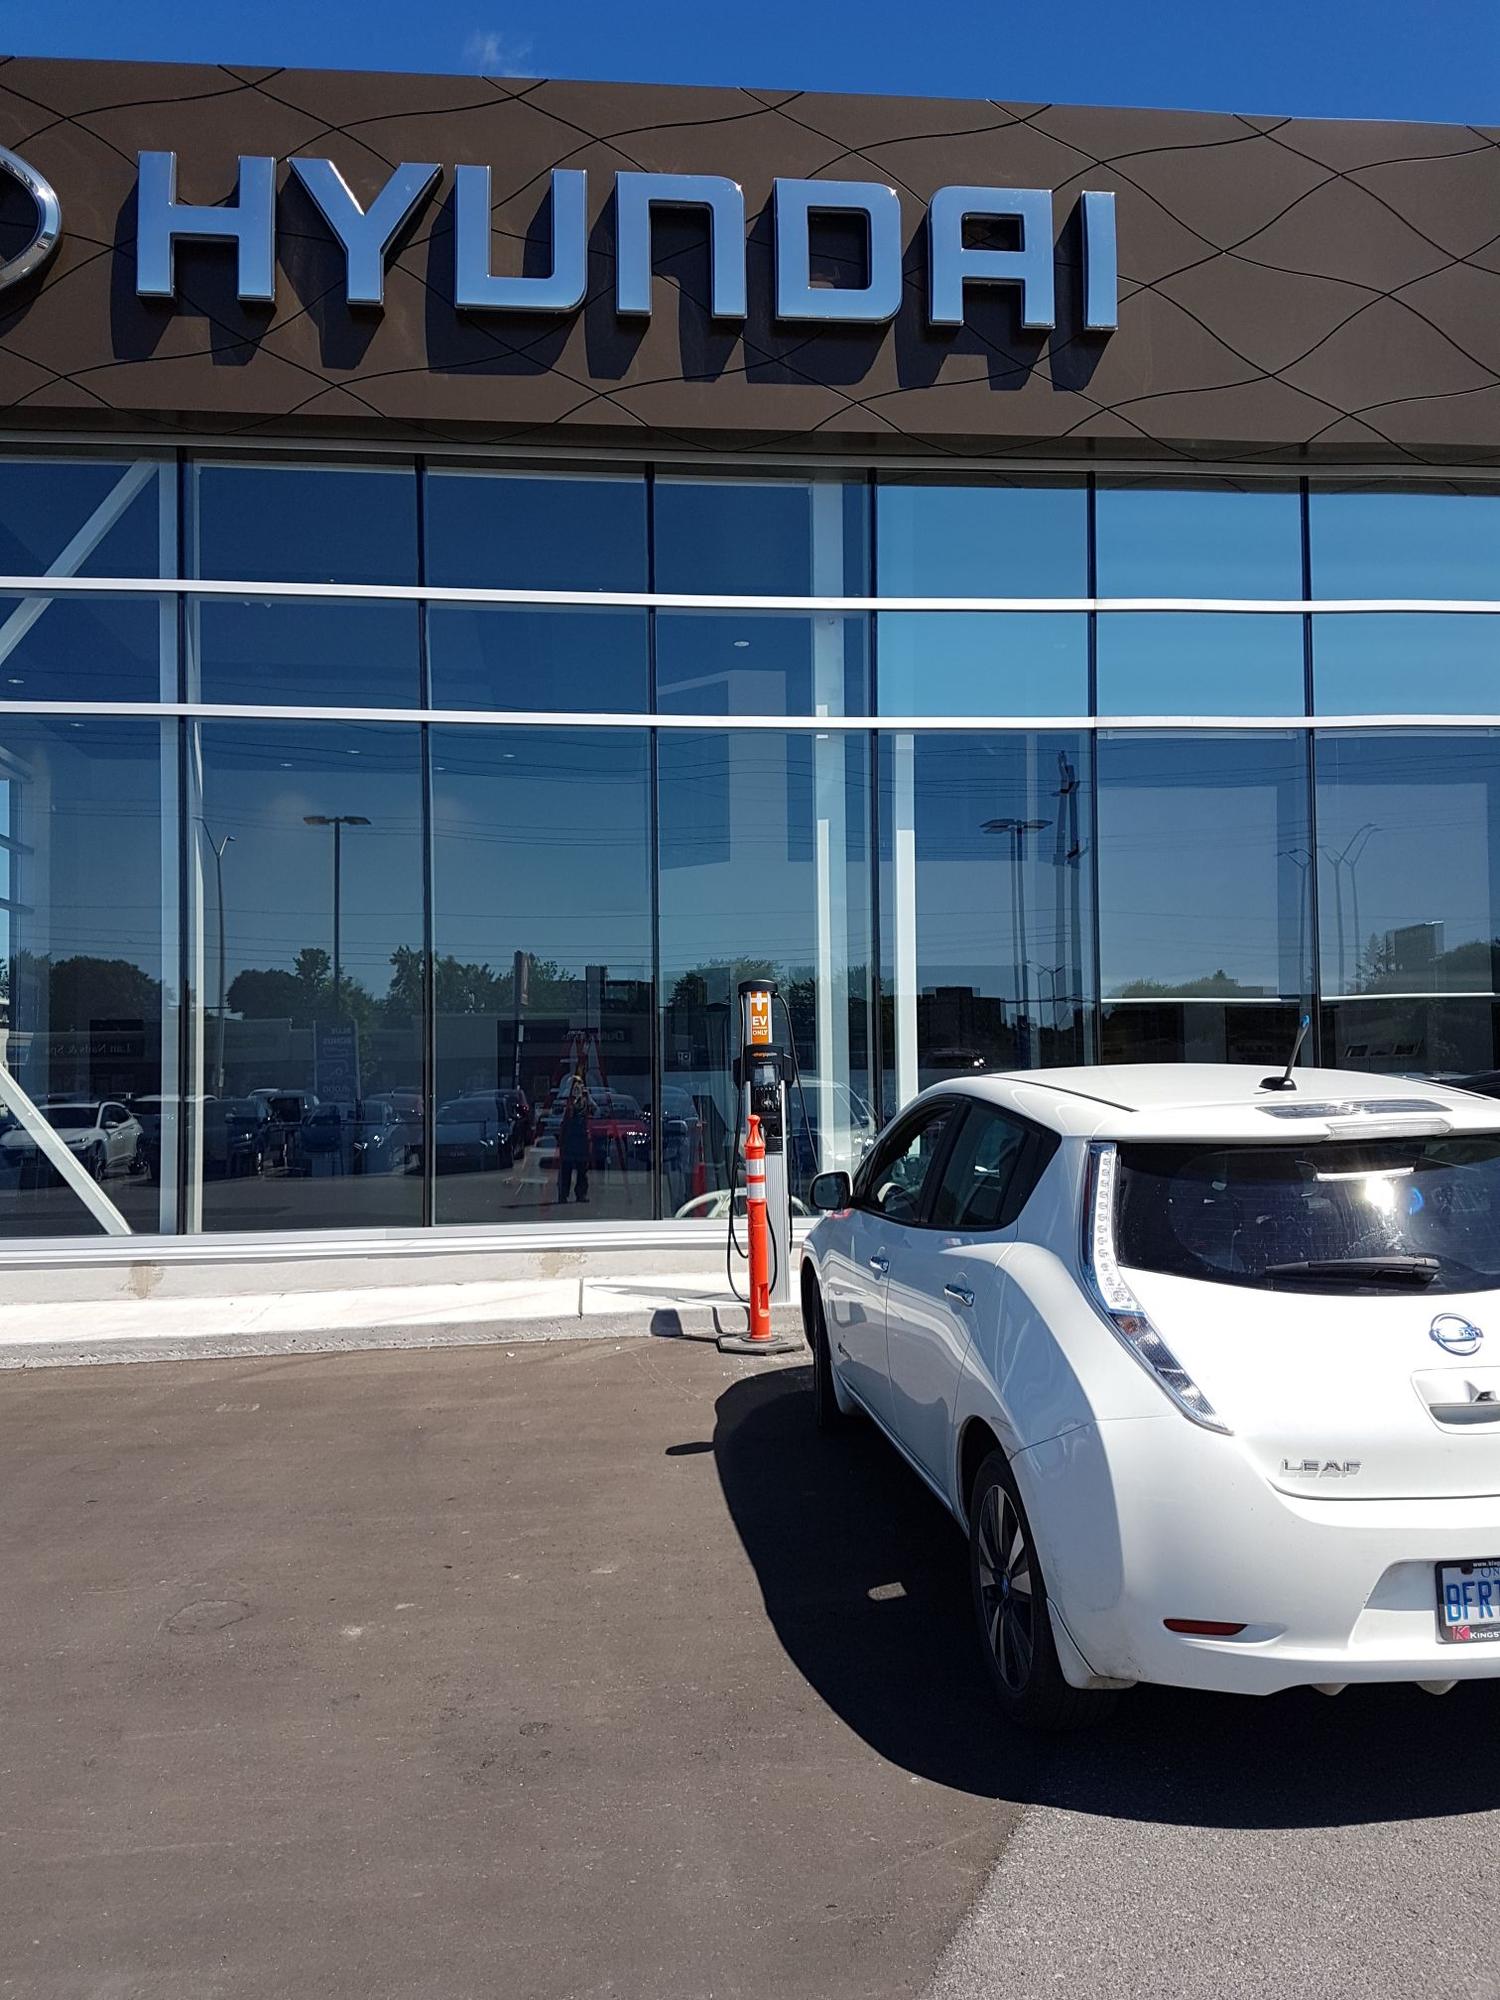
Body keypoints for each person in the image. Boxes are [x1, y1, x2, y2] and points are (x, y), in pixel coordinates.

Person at [556, 1078, 595, 1204]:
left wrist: (587, 1096)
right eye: (575, 1087)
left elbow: (595, 1110)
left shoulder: (586, 1101)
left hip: (582, 1140)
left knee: (582, 1170)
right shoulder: (565, 1100)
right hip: (568, 1140)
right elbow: (557, 1114)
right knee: (565, 1170)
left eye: (579, 1086)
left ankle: (581, 1194)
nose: (577, 1089)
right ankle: (563, 1195)